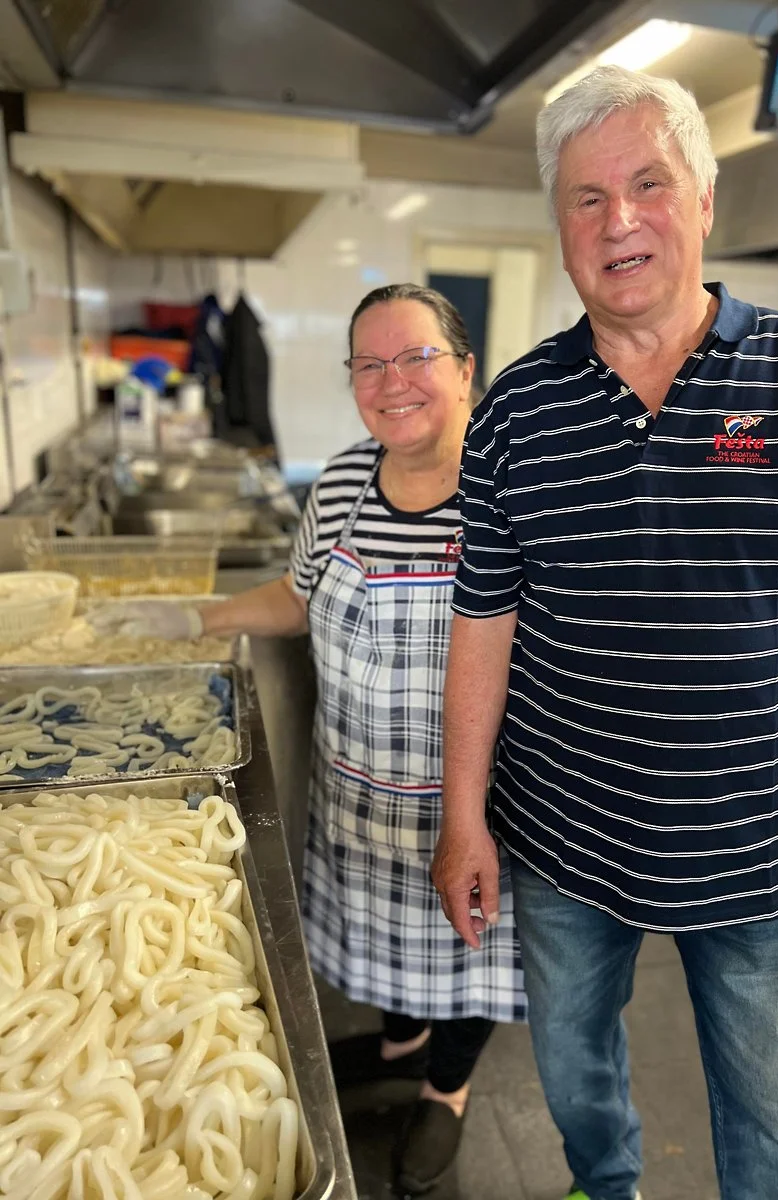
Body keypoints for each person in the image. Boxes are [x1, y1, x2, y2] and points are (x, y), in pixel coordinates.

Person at [432, 65, 778, 1200]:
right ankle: (608, 1186)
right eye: (587, 198)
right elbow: (483, 623)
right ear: (560, 228)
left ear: (704, 201)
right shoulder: (515, 412)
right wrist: (462, 817)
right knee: (573, 1073)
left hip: (761, 851)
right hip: (563, 840)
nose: (619, 221)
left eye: (648, 184)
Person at [91, 283, 527, 1195]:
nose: (391, 381)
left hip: (475, 801)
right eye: (369, 363)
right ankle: (402, 1043)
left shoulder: (512, 491)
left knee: (470, 955)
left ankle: (445, 1089)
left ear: (465, 371)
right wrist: (195, 617)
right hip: (359, 788)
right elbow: (298, 596)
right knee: (387, 948)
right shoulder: (339, 485)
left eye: (416, 358)